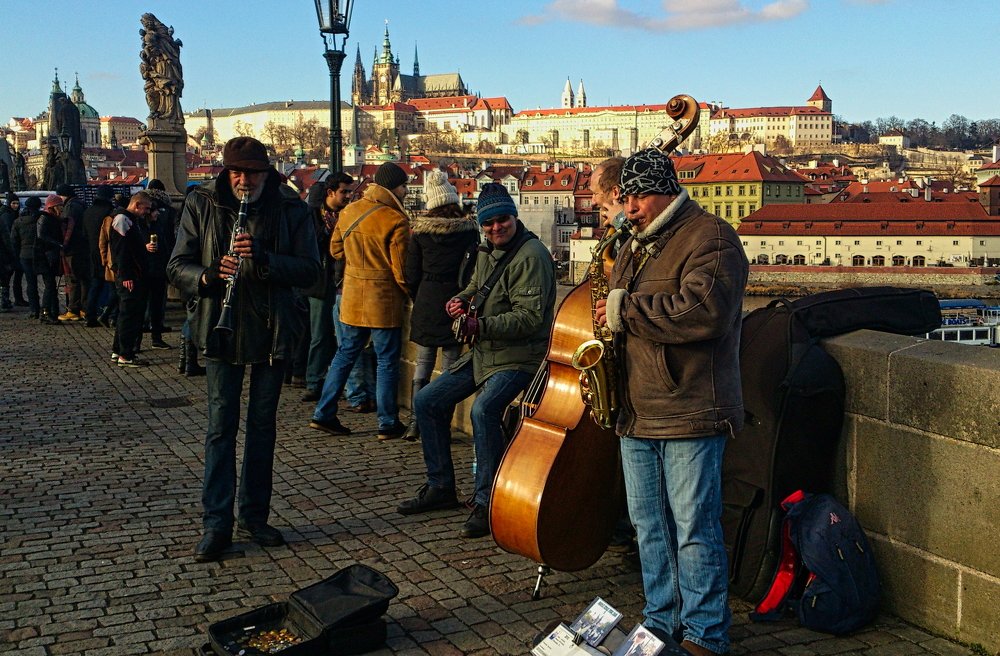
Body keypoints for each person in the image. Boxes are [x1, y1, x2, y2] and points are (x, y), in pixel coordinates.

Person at [594, 148, 749, 656]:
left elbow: (704, 311)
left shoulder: (712, 237)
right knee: (649, 528)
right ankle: (661, 621)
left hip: (688, 406)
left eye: (638, 197)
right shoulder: (635, 243)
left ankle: (704, 634)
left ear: (666, 191)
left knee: (694, 527)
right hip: (636, 408)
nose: (629, 208)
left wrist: (623, 309)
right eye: (624, 198)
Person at [167, 137, 319, 562]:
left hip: (272, 329)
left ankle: (253, 516)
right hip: (222, 325)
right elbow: (177, 265)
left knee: (262, 427)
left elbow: (311, 270)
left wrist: (266, 259)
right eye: (236, 172)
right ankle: (216, 523)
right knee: (220, 428)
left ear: (266, 173)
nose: (244, 180)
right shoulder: (203, 203)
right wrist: (209, 275)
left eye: (252, 173)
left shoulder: (290, 207)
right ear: (226, 172)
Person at [396, 183, 556, 539]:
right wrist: (460, 300)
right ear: (481, 225)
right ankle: (440, 486)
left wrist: (479, 325)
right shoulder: (486, 249)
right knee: (427, 401)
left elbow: (530, 319)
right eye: (489, 223)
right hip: (486, 351)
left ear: (514, 217)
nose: (496, 228)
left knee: (483, 411)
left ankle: (488, 501)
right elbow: (477, 287)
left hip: (520, 357)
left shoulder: (531, 256)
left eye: (502, 220)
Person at [309, 161, 411, 441]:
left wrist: (357, 263)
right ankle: (387, 422)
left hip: (352, 296)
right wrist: (409, 293)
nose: (406, 191)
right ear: (393, 188)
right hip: (383, 300)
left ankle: (323, 413)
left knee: (345, 354)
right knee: (386, 360)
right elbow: (401, 271)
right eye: (403, 186)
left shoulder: (350, 211)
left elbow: (335, 250)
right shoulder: (395, 219)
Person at [401, 169, 480, 441]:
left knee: (423, 364)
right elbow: (474, 270)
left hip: (426, 298)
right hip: (456, 300)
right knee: (450, 368)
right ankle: (442, 425)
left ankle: (416, 423)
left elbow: (411, 273)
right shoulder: (468, 231)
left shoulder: (420, 233)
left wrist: (418, 296)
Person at [301, 173, 353, 402]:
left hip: (344, 282)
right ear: (330, 193)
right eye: (344, 192)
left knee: (345, 337)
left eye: (350, 192)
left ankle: (339, 382)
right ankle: (314, 381)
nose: (348, 196)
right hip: (320, 282)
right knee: (320, 334)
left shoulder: (349, 215)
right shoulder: (313, 215)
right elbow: (309, 245)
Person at [109, 191, 155, 365]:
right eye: (146, 208)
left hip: (132, 273)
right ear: (137, 205)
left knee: (126, 314)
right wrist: (126, 274)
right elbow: (121, 250)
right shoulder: (123, 220)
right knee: (130, 314)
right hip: (130, 275)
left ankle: (118, 350)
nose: (147, 212)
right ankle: (126, 354)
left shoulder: (128, 219)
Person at [144, 184, 177, 348]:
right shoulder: (140, 225)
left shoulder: (156, 225)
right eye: (155, 211)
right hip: (147, 270)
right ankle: (137, 342)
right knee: (150, 304)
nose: (158, 213)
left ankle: (155, 336)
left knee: (155, 304)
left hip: (157, 268)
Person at [82, 187, 115, 327]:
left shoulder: (88, 211)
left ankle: (90, 316)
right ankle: (109, 315)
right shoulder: (109, 212)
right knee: (113, 286)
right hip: (107, 254)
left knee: (95, 286)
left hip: (92, 253)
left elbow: (83, 234)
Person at [57, 184, 88, 321]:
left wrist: (64, 244)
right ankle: (83, 308)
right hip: (82, 246)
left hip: (73, 248)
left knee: (73, 279)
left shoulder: (70, 207)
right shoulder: (81, 204)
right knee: (83, 279)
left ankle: (74, 309)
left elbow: (67, 227)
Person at [36, 194, 65, 324]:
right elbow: (41, 236)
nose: (61, 209)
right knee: (49, 286)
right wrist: (58, 244)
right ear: (53, 207)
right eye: (59, 206)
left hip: (49, 256)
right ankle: (45, 312)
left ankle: (51, 311)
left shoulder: (52, 218)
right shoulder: (45, 218)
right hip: (45, 257)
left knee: (51, 285)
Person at [11, 196, 42, 317]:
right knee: (48, 282)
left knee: (31, 282)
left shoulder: (18, 221)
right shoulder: (41, 219)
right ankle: (47, 308)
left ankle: (34, 309)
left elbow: (14, 241)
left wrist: (17, 255)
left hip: (24, 254)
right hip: (40, 254)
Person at [0, 193, 18, 310]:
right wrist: (12, 254)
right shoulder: (4, 218)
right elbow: (6, 238)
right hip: (2, 254)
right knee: (4, 279)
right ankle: (4, 302)